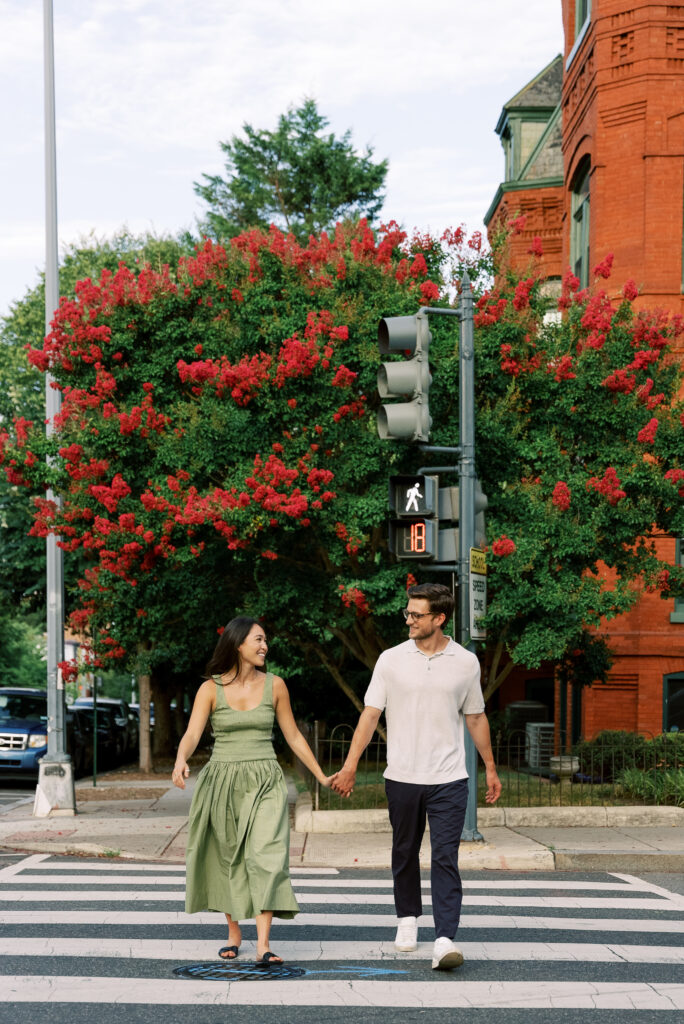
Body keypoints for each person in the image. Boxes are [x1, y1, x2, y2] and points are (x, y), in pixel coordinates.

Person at [332, 582, 501, 971]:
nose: (408, 620)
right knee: (404, 852)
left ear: (439, 619)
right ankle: (407, 920)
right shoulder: (391, 660)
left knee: (445, 857)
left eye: (416, 614)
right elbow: (370, 713)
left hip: (449, 778)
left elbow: (475, 716)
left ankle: (444, 939)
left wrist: (490, 767)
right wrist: (351, 764)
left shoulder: (465, 662)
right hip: (402, 776)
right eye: (407, 613)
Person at [172, 616, 333, 965]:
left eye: (265, 640)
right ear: (237, 643)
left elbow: (292, 736)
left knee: (266, 855)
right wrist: (180, 758)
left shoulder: (275, 685)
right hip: (222, 780)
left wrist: (320, 775)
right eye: (258, 639)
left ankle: (263, 944)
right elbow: (192, 733)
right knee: (226, 855)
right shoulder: (209, 689)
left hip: (264, 781)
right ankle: (234, 933)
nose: (265, 646)